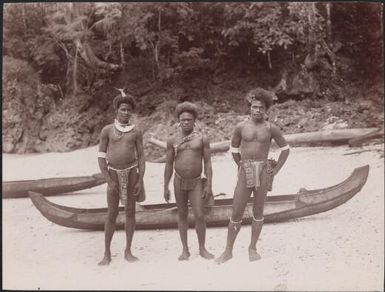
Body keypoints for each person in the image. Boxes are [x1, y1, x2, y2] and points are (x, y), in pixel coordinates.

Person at [215, 88, 290, 264]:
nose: (257, 110)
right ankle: (228, 251)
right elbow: (233, 150)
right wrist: (241, 166)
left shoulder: (271, 128)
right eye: (255, 107)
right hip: (246, 169)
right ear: (250, 108)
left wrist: (275, 170)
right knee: (236, 211)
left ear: (266, 110)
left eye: (261, 108)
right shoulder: (241, 127)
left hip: (263, 170)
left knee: (258, 210)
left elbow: (286, 150)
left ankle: (252, 248)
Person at [97, 92, 145, 265]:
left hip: (132, 172)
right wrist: (108, 180)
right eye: (123, 109)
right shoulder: (107, 130)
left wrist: (140, 180)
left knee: (130, 212)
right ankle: (107, 253)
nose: (126, 113)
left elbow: (141, 157)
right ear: (116, 110)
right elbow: (101, 156)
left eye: (129, 110)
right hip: (113, 174)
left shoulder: (136, 131)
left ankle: (128, 251)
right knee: (112, 213)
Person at [164, 101, 215, 261]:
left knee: (200, 215)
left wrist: (209, 185)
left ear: (194, 121)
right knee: (182, 214)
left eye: (189, 120)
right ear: (179, 121)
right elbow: (168, 163)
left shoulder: (202, 139)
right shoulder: (172, 140)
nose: (186, 122)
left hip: (196, 182)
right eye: (183, 119)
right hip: (179, 181)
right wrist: (165, 186)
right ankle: (185, 250)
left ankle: (202, 249)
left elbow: (207, 162)